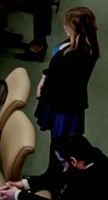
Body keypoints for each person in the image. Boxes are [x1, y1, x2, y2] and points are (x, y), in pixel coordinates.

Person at [33, 7, 99, 141]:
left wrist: (43, 91)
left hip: (63, 105)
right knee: (59, 139)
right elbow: (55, 70)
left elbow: (59, 80)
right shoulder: (80, 43)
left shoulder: (75, 55)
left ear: (77, 29)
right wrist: (44, 77)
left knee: (59, 141)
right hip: (66, 102)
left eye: (68, 25)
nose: (64, 27)